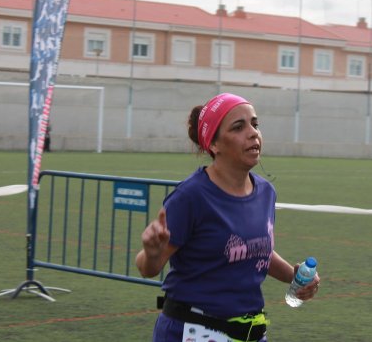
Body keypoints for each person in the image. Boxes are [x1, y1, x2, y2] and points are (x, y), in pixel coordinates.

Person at [136, 93, 320, 342]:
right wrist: (152, 253)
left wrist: (294, 277)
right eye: (238, 127)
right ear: (214, 145)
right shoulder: (191, 196)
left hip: (249, 332)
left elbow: (256, 250)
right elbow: (148, 267)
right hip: (191, 331)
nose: (253, 133)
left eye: (255, 124)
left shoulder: (266, 192)